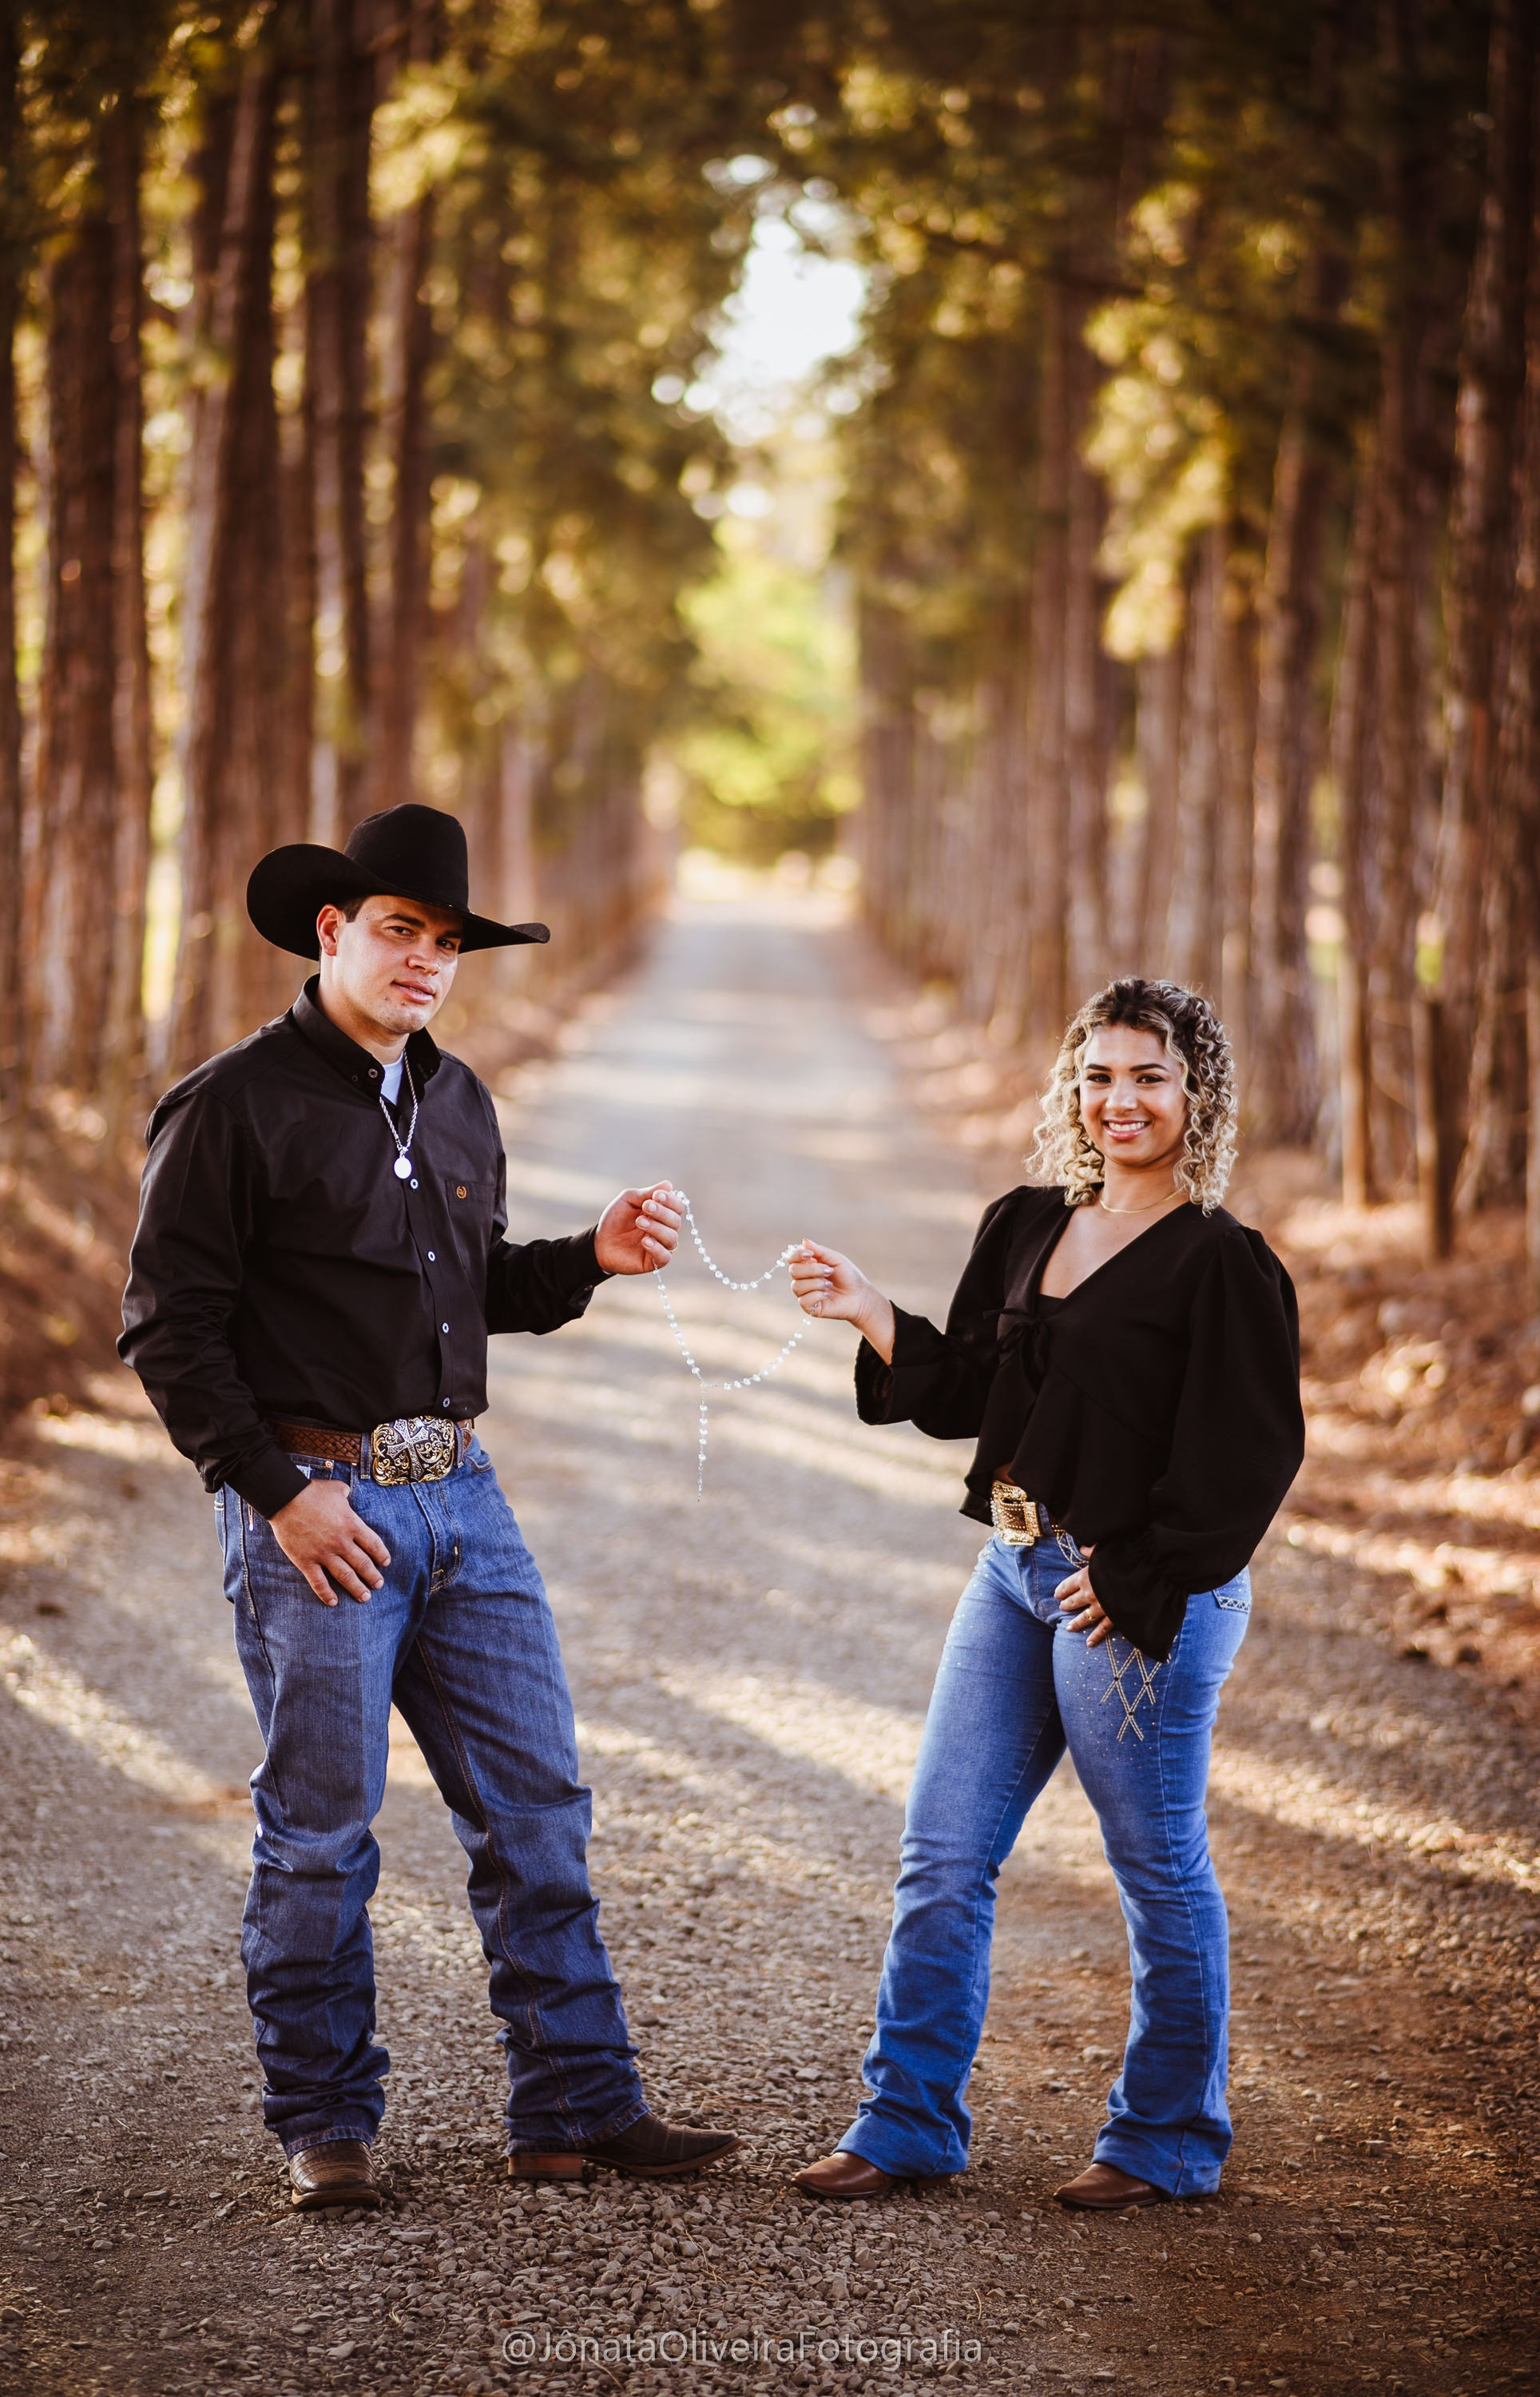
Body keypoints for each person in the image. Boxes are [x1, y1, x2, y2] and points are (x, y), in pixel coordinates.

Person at [121, 802, 738, 2209]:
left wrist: (588, 1257)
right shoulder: (232, 1105)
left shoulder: (457, 1100)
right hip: (318, 1512)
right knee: (324, 1834)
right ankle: (326, 2124)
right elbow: (168, 1328)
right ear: (332, 931)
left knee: (538, 1811)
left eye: (447, 942)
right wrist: (277, 1494)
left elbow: (467, 1298)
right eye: (400, 932)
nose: (425, 963)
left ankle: (575, 2108)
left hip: (463, 1495)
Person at [785, 978, 1303, 2210]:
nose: (1120, 1100)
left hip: (1134, 1594)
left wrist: (1134, 1579)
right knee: (942, 1853)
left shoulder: (1224, 1263)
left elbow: (1252, 1455)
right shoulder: (1026, 1222)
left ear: (1198, 1096)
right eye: (1101, 1075)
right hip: (1015, 1568)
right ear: (1075, 1089)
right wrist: (871, 1313)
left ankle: (1168, 2135)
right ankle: (907, 2122)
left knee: (1155, 1866)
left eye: (1150, 1077)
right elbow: (971, 1392)